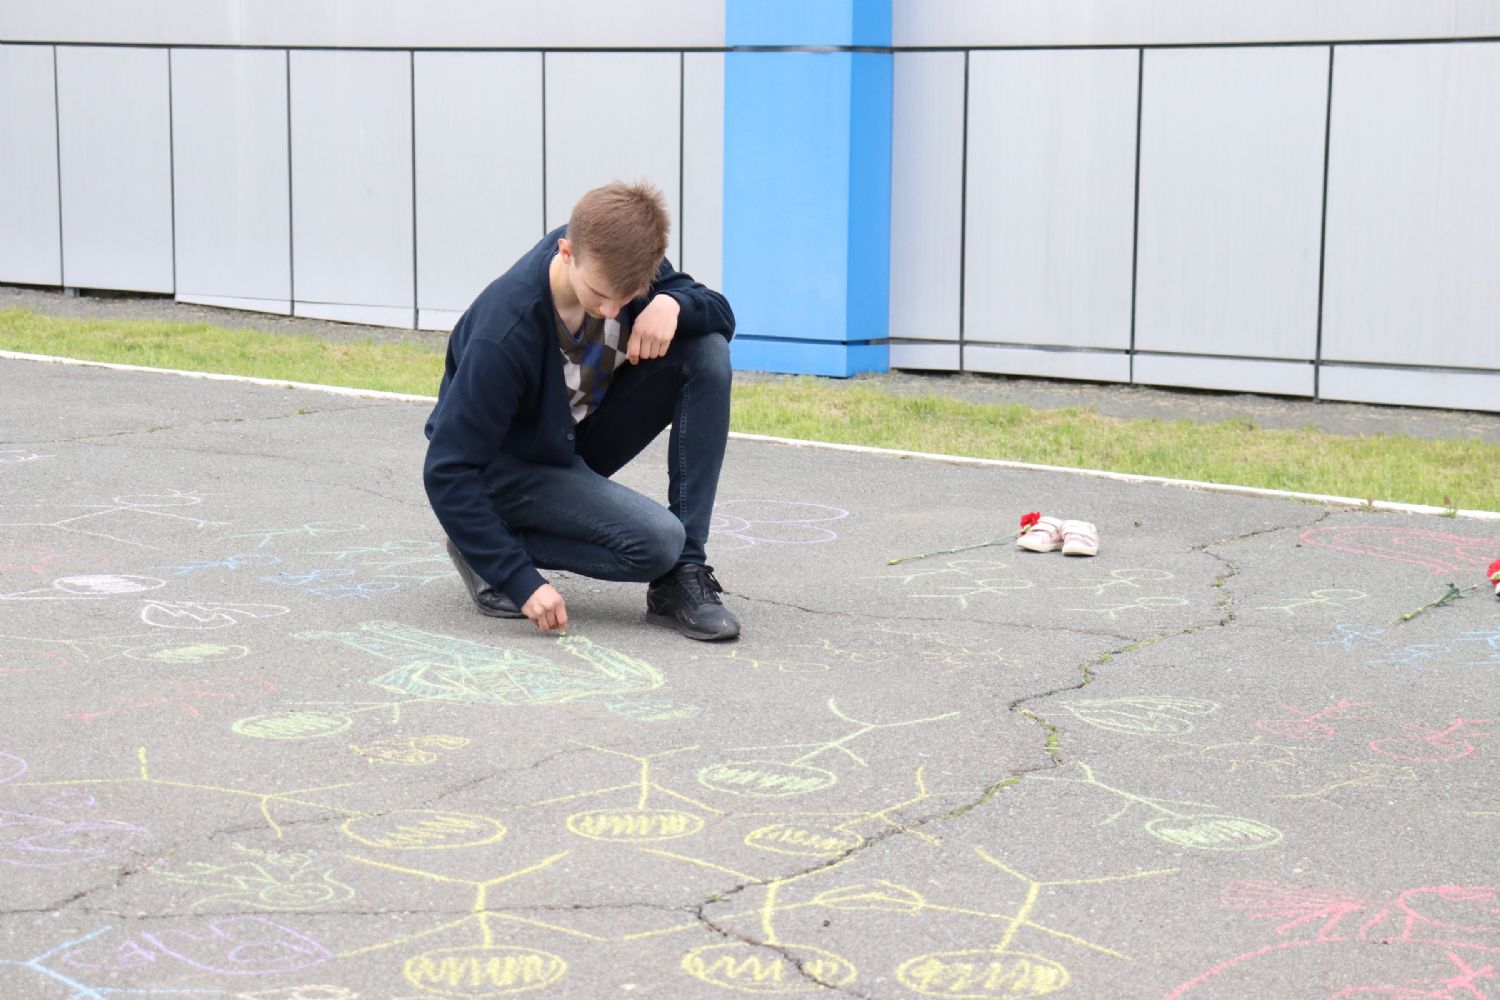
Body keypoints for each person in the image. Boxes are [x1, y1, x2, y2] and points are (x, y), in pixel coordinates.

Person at [423, 181, 739, 641]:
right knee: (657, 543)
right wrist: (519, 579)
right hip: (503, 470)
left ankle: (683, 575)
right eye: (599, 294)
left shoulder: (623, 257)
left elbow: (720, 312)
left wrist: (672, 303)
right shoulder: (505, 330)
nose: (611, 311)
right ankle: (484, 547)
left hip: (565, 439)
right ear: (566, 252)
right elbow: (447, 469)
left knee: (706, 351)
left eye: (626, 298)